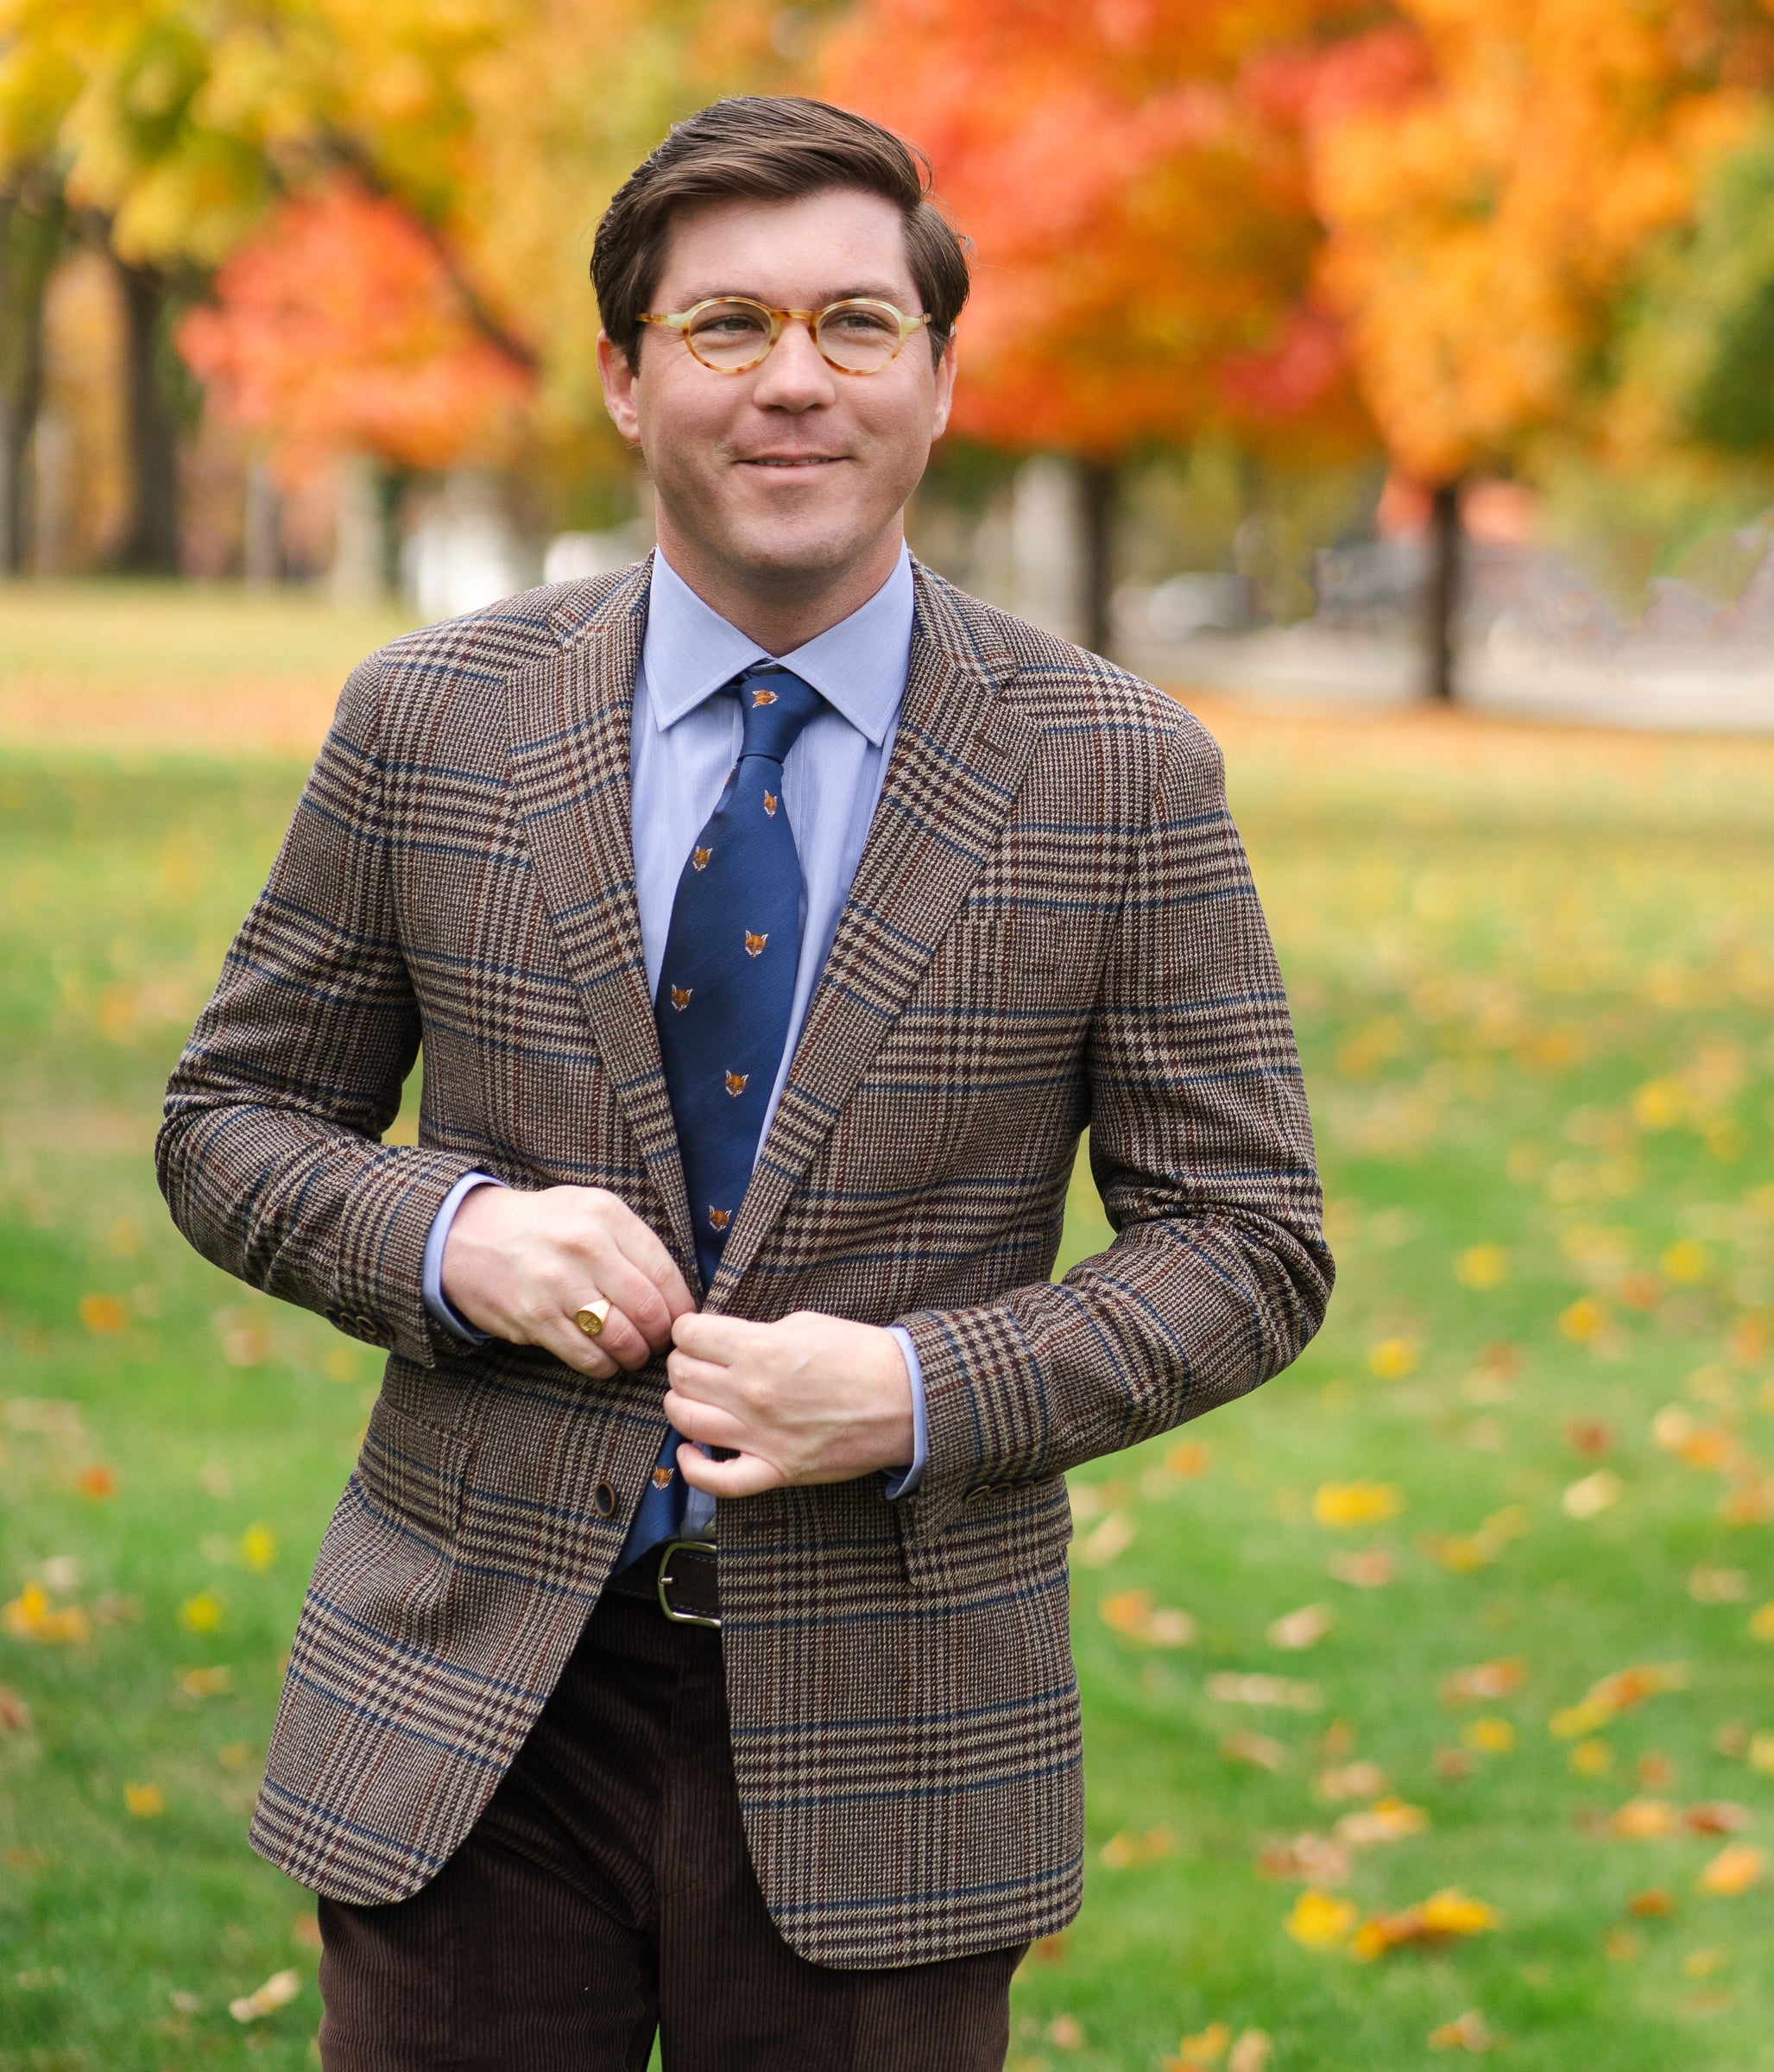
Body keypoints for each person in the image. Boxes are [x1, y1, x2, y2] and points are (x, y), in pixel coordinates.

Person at [158, 94, 1331, 2072]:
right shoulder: (431, 722)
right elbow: (228, 1124)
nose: (796, 382)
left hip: (900, 1744)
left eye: (858, 327)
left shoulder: (1120, 773)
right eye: (728, 328)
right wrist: (458, 1238)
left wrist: (920, 1389)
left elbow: (1249, 1246)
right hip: (470, 1716)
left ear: (941, 381)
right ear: (625, 378)